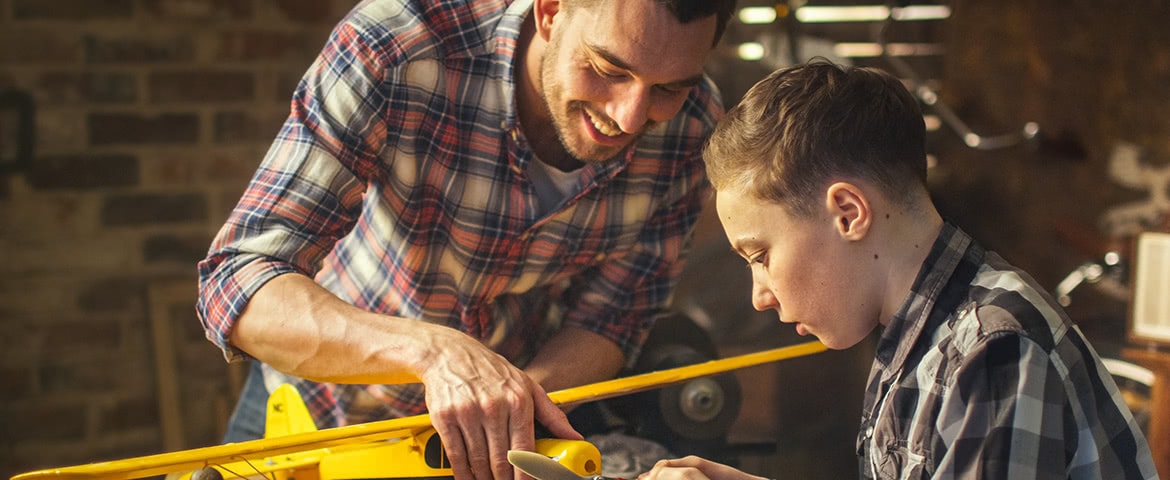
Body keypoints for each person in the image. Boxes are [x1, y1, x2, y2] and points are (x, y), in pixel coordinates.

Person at [195, 0, 736, 479]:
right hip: (314, 426)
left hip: (486, 454)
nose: (629, 115)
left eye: (667, 89)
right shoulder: (395, 47)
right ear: (550, 12)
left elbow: (611, 320)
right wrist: (435, 353)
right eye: (606, 69)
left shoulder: (694, 128)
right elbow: (238, 281)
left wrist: (509, 410)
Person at [639, 61, 1159, 479]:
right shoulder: (922, 332)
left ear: (848, 212)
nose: (760, 295)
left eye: (760, 256)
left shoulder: (993, 351)